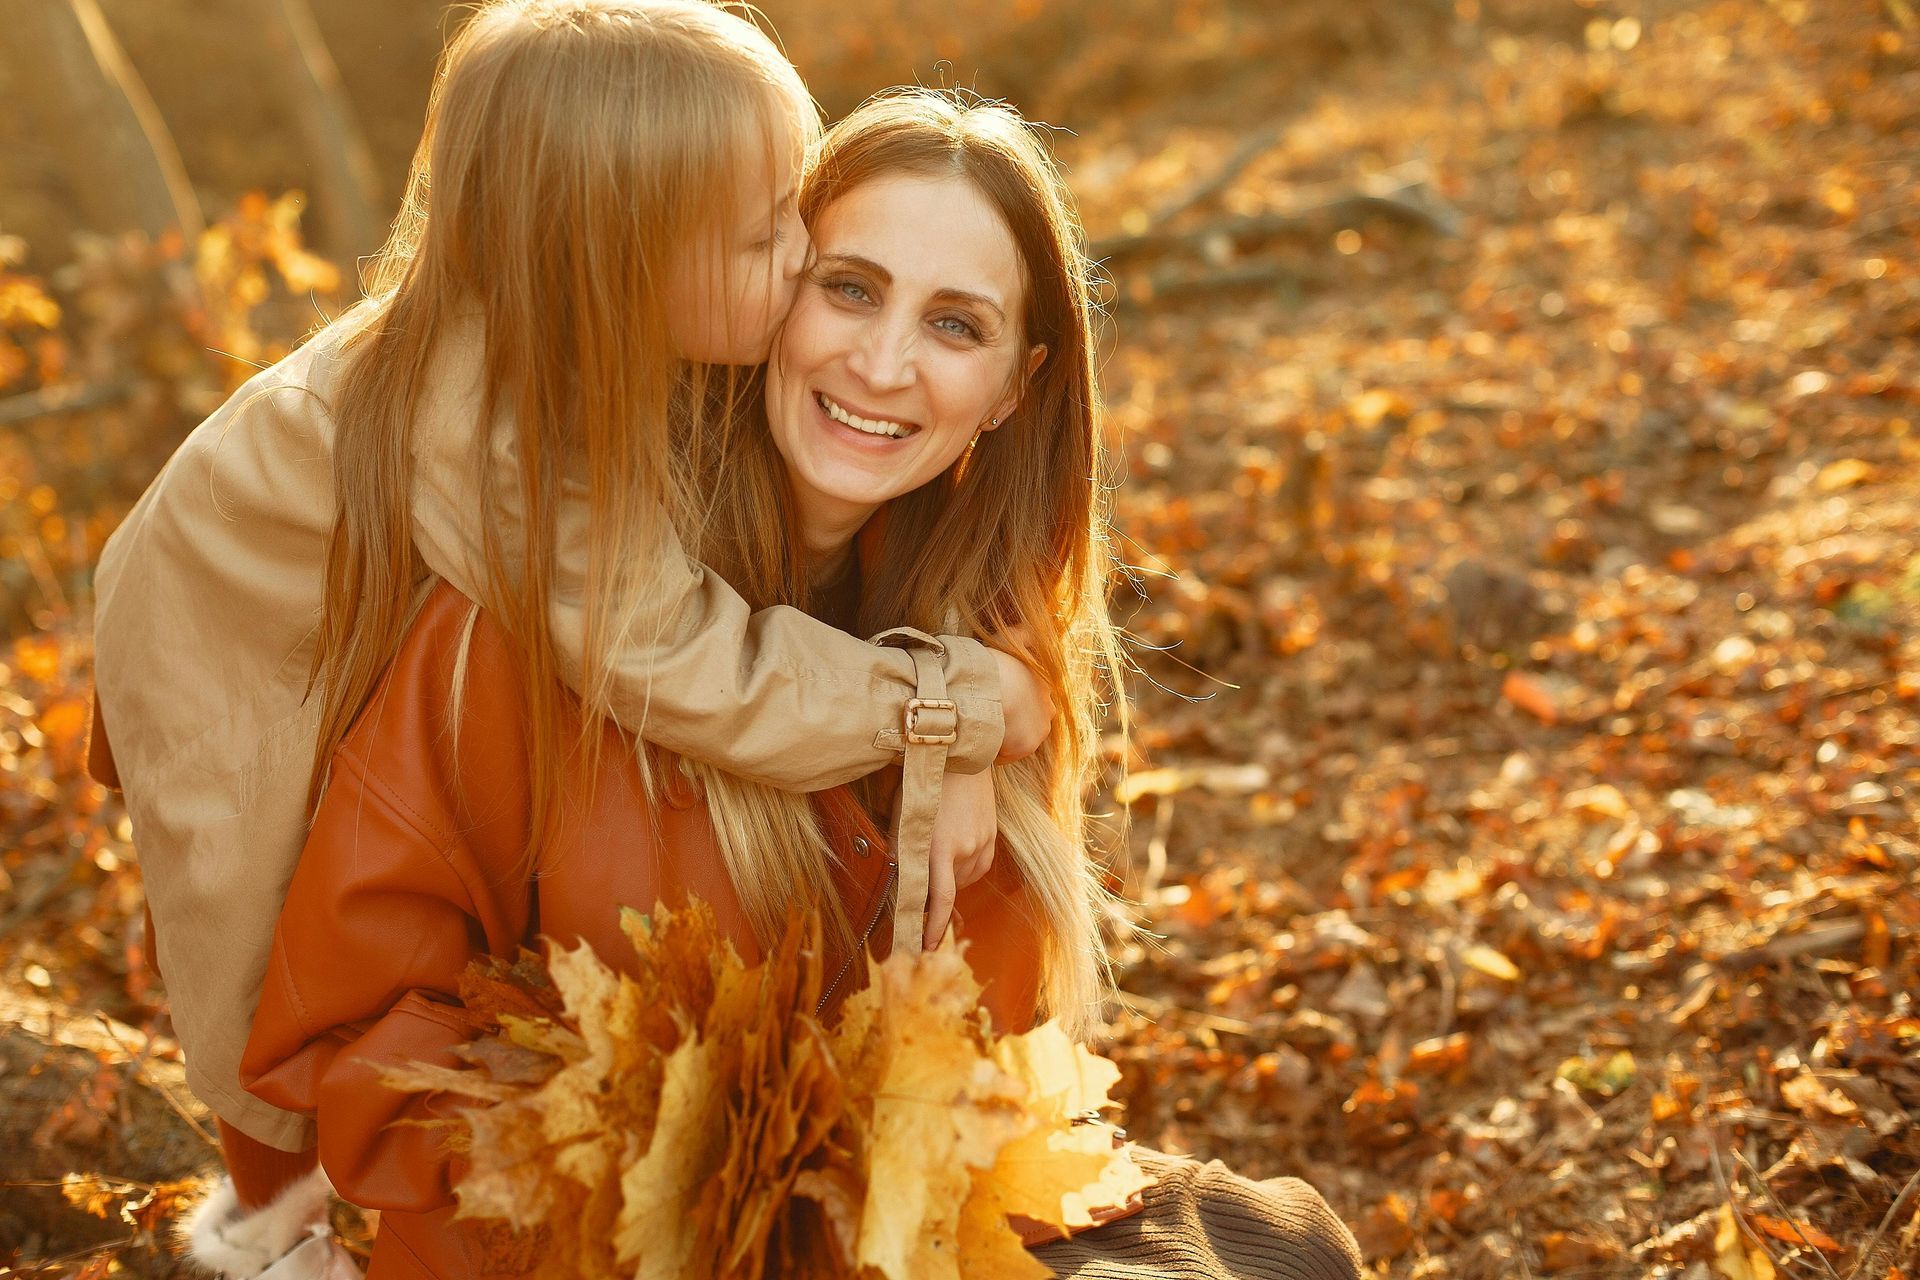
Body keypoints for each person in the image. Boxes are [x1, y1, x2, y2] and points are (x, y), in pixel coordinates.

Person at [85, 3, 1050, 1274]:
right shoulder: (509, 441)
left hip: (274, 588)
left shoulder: (586, 344)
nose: (799, 251)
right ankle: (274, 1232)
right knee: (251, 945)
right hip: (228, 651)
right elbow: (700, 668)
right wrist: (948, 709)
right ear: (620, 263)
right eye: (771, 239)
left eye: (794, 211)